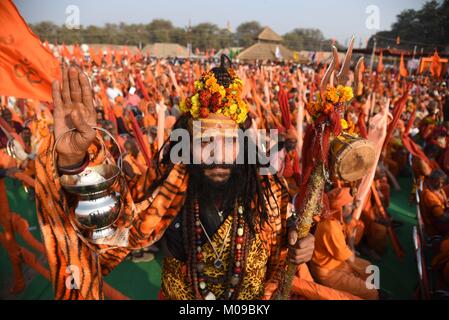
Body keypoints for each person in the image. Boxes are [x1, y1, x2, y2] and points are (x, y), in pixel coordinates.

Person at [34, 58, 315, 300]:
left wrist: (298, 245)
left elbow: (282, 252)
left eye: (229, 141)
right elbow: (111, 224)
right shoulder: (168, 183)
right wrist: (75, 162)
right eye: (205, 142)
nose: (217, 154)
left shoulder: (267, 189)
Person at [310, 187, 379, 300]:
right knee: (372, 293)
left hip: (338, 263)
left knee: (369, 267)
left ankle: (366, 288)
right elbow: (350, 258)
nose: (354, 207)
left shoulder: (336, 219)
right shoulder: (331, 227)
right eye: (350, 205)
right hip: (329, 272)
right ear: (341, 207)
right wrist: (351, 241)